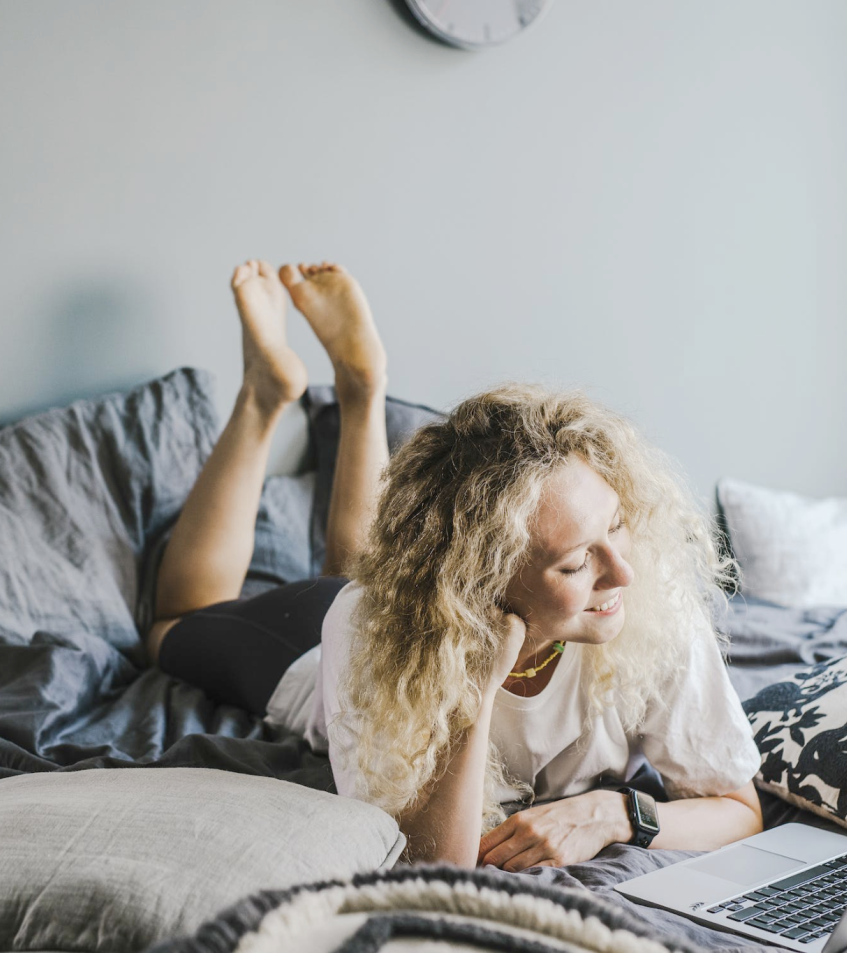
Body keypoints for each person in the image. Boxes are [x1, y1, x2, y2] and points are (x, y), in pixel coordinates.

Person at [146, 259, 763, 870]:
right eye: (577, 564)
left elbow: (739, 808)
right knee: (171, 624)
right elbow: (432, 863)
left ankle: (361, 390)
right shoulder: (366, 628)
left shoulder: (649, 600)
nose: (622, 573)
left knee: (366, 564)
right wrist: (474, 686)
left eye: (617, 526)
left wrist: (613, 813)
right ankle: (266, 394)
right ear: (482, 583)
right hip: (313, 651)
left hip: (415, 600)